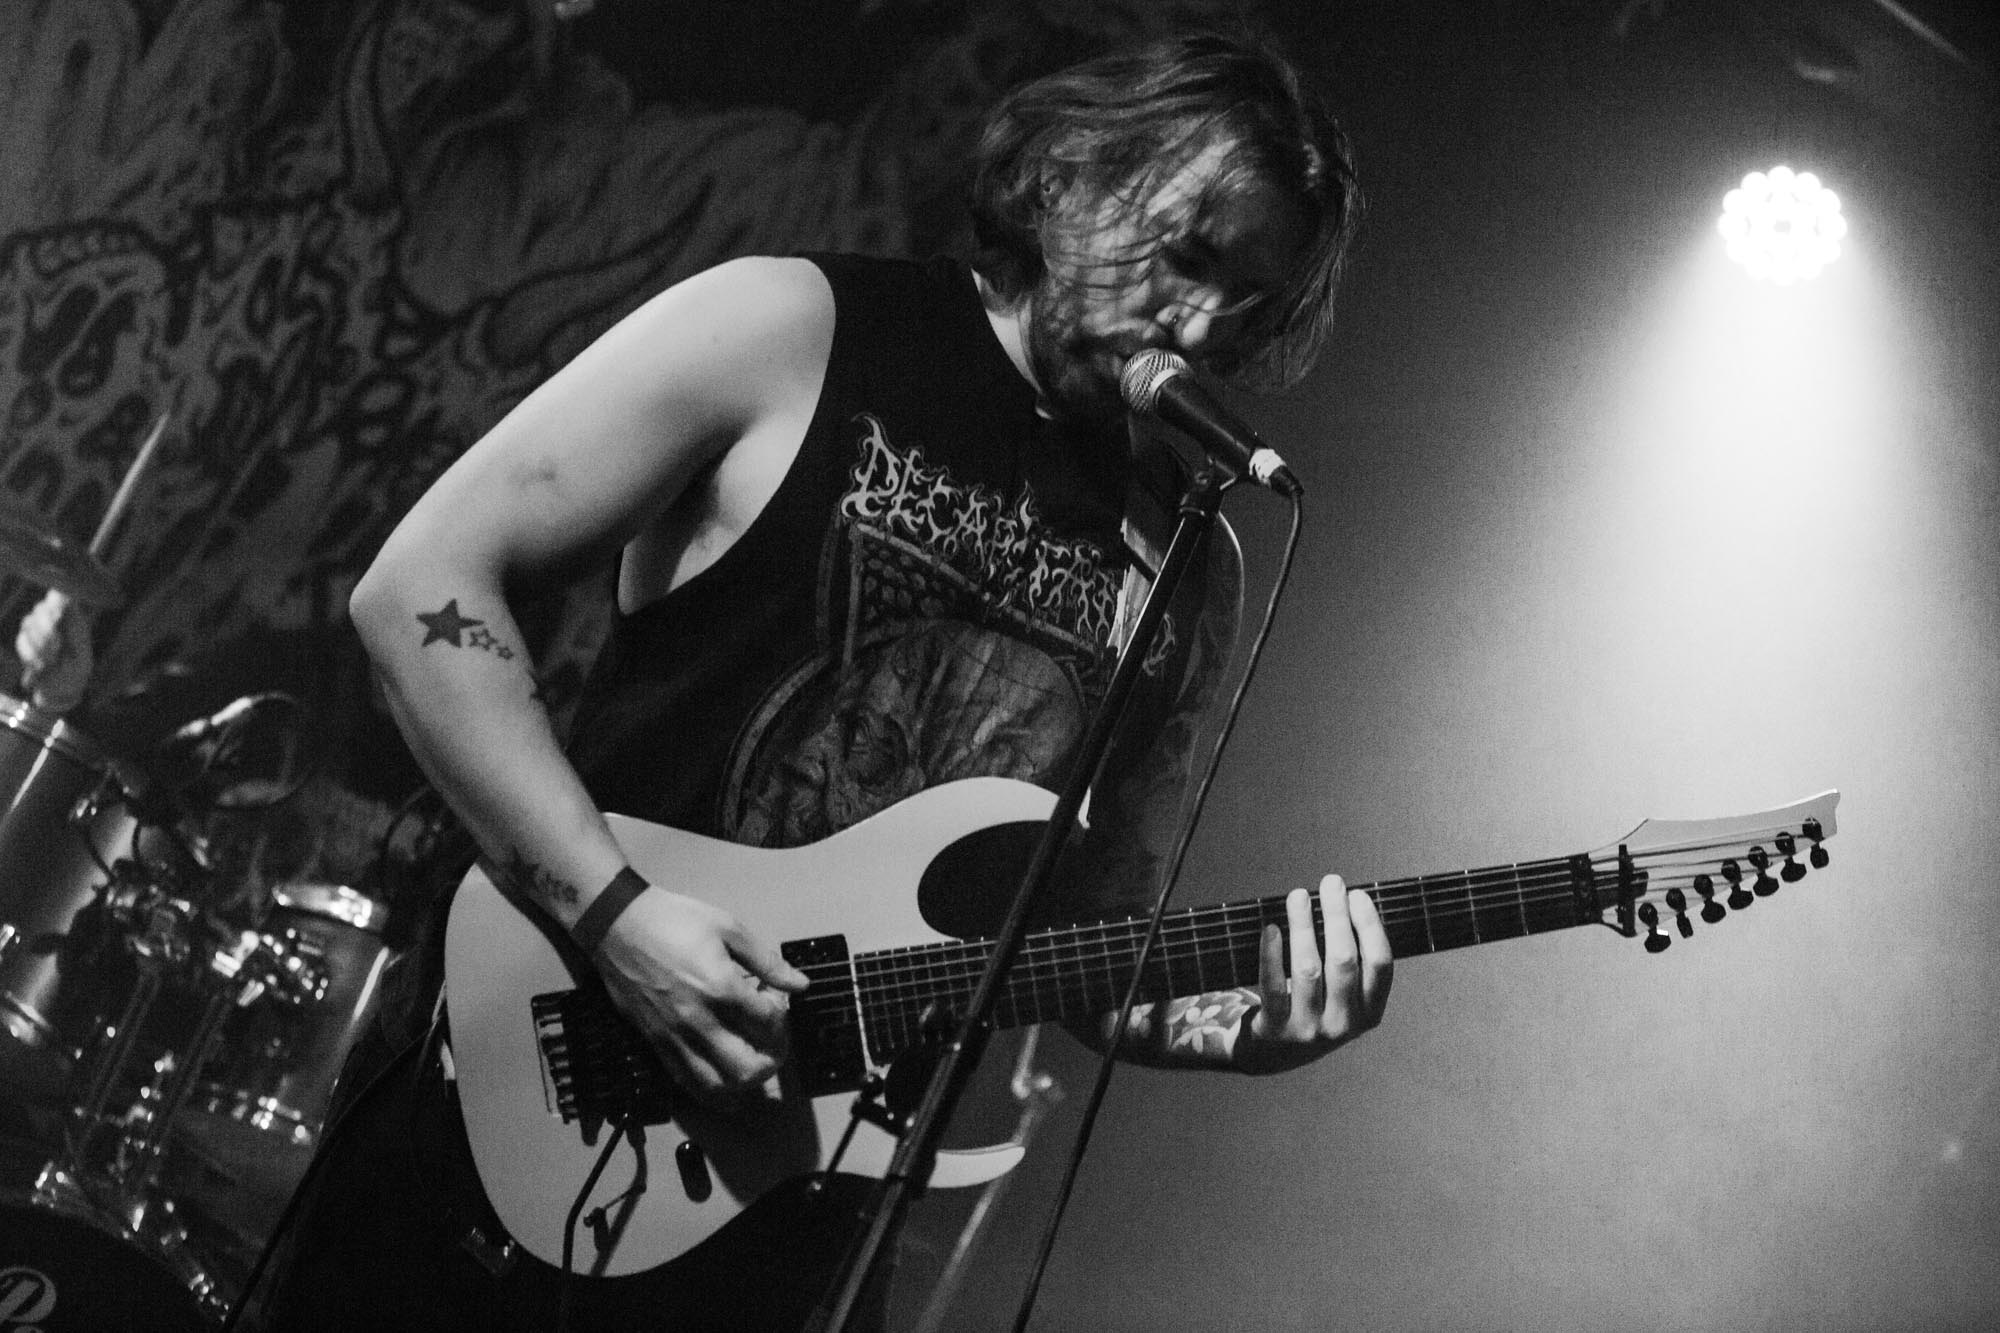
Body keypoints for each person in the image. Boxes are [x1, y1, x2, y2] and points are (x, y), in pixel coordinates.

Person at [258, 29, 1391, 1332]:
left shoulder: (1187, 564)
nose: (1198, 328)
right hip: (531, 1091)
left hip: (801, 1224)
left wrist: (1235, 1028)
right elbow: (421, 587)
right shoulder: (792, 326)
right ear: (1072, 174)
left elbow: (1094, 938)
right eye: (1188, 255)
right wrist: (619, 916)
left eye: (1247, 305)